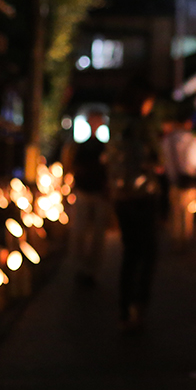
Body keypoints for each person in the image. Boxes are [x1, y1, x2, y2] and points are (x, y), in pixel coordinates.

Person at [105, 86, 163, 331]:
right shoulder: (143, 126)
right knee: (147, 252)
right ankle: (139, 306)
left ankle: (123, 310)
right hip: (143, 195)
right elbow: (158, 160)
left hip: (121, 196)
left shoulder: (114, 126)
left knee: (129, 253)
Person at [65, 109, 111, 284]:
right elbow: (72, 165)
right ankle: (81, 268)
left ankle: (92, 270)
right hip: (84, 190)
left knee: (98, 233)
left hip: (99, 192)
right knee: (79, 231)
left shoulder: (104, 146)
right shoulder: (79, 146)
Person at [160, 110, 196, 251]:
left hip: (173, 181)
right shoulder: (193, 139)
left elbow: (164, 161)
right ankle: (184, 240)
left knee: (175, 211)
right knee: (187, 213)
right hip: (189, 180)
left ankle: (176, 239)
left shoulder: (167, 140)